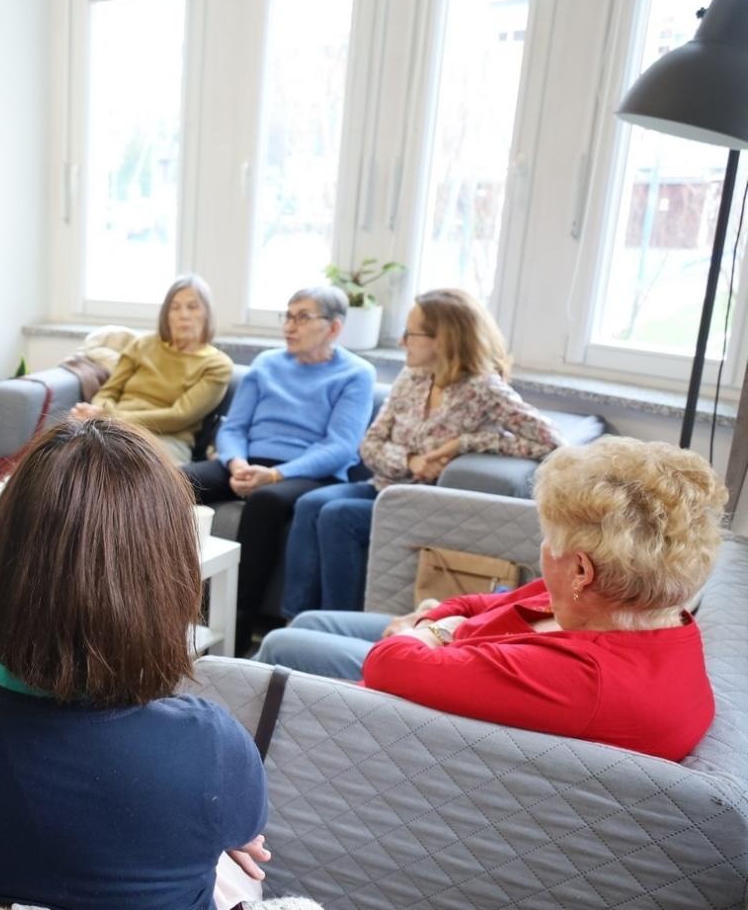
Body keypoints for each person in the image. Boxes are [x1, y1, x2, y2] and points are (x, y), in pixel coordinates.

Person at [0, 418, 271, 910]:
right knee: (239, 875)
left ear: (1, 560)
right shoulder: (208, 746)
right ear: (168, 581)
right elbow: (243, 831)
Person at [257, 438, 721, 762]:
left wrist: (428, 631)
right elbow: (483, 602)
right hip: (439, 653)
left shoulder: (582, 678)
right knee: (310, 622)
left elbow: (388, 666)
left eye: (548, 539)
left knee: (281, 644)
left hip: (395, 714)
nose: (543, 553)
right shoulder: (626, 602)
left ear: (580, 569)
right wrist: (439, 624)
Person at [281, 288, 561, 616]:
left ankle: (339, 620)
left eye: (409, 334)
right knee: (310, 504)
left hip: (421, 502)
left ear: (442, 339)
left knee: (338, 516)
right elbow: (370, 445)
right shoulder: (411, 377)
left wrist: (465, 444)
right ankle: (295, 619)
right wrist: (411, 460)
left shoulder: (483, 390)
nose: (402, 342)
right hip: (384, 486)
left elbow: (551, 441)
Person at [183, 285, 376, 646]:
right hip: (246, 460)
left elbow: (340, 446)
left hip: (307, 472)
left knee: (266, 501)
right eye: (287, 316)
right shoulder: (266, 364)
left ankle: (239, 624)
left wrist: (274, 475)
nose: (290, 325)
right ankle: (168, 597)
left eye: (303, 317)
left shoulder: (356, 374)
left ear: (334, 328)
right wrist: (237, 462)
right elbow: (235, 427)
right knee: (179, 480)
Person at [68, 275, 233, 463]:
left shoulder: (217, 365)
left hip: (167, 439)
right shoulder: (142, 344)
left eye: (192, 307)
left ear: (207, 314)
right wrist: (99, 413)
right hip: (114, 428)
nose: (183, 315)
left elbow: (178, 417)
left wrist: (111, 417)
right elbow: (108, 391)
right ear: (166, 314)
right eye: (175, 307)